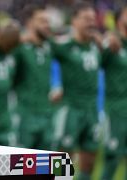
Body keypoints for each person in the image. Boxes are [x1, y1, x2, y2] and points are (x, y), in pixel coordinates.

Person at [51, 2, 100, 179]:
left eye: (93, 19)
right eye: (86, 19)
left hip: (92, 110)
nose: (91, 23)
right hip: (71, 109)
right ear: (74, 21)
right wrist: (54, 87)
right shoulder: (64, 45)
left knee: (90, 161)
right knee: (62, 159)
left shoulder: (97, 45)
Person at [13, 4, 55, 150]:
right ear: (30, 22)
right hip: (24, 115)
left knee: (45, 166)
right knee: (20, 167)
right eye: (42, 21)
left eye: (48, 21)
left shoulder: (49, 47)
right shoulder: (18, 47)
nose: (47, 25)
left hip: (47, 114)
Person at [101, 6, 127, 180]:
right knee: (112, 160)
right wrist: (106, 42)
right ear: (119, 20)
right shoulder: (111, 43)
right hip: (116, 111)